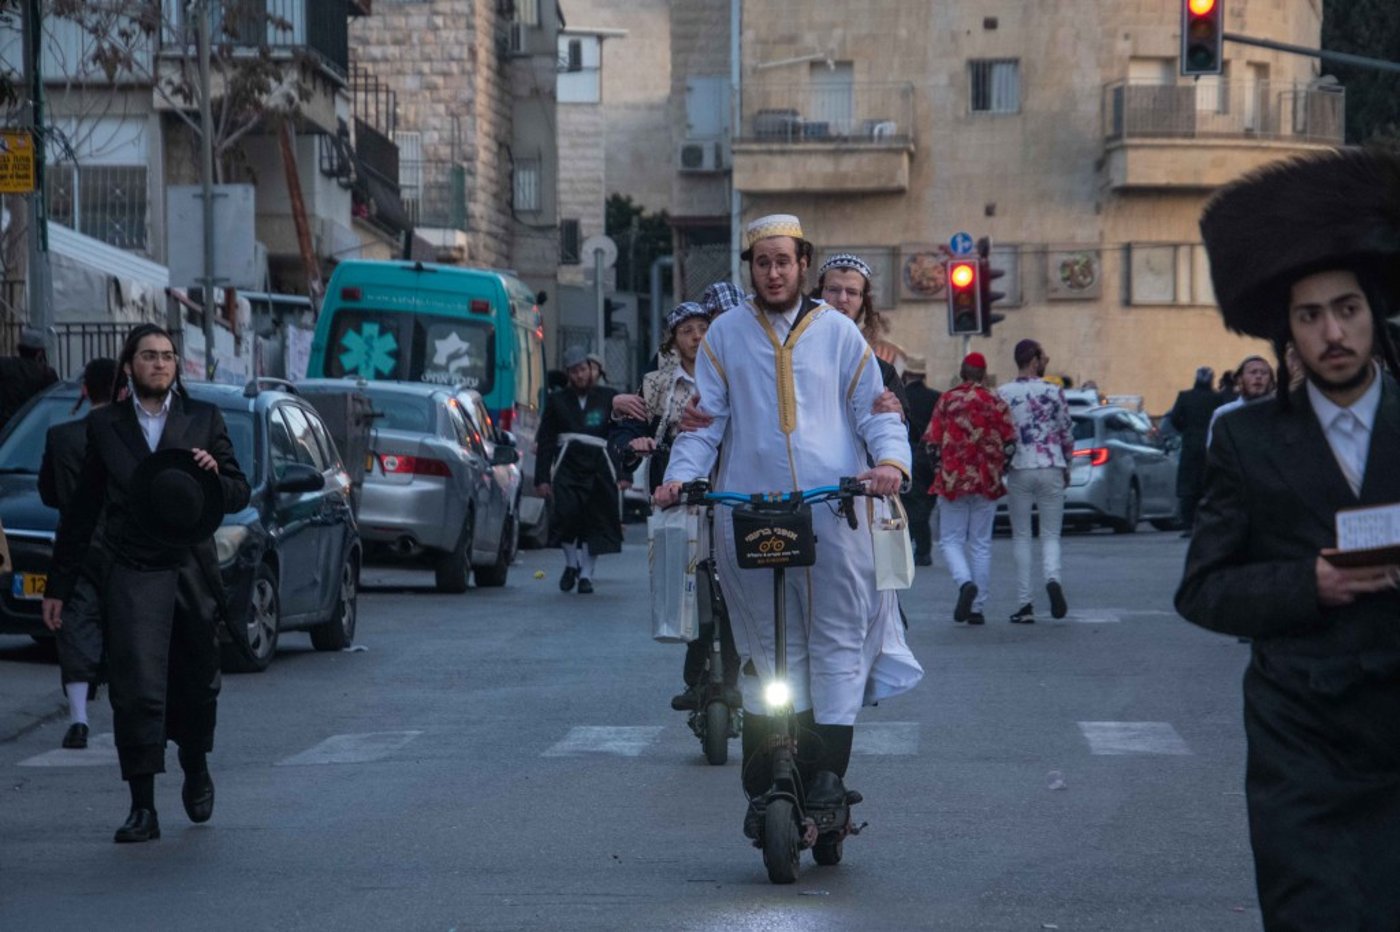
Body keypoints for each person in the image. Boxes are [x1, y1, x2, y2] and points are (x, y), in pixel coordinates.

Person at [1177, 147, 1400, 929]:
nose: (1332, 331)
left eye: (1346, 309)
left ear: (1373, 312)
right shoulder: (1245, 442)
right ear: (1288, 334)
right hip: (1301, 743)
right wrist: (1310, 584)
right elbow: (1202, 589)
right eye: (1310, 316)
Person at [654, 214, 921, 839]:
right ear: (750, 268)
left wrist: (889, 464)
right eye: (761, 262)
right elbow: (703, 424)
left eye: (784, 261)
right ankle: (774, 770)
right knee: (768, 649)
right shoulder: (724, 336)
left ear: (804, 264)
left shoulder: (840, 337)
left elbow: (877, 411)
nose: (773, 272)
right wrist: (678, 478)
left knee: (835, 643)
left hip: (837, 514)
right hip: (745, 512)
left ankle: (827, 775)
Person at [42, 324, 249, 844]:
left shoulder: (203, 420)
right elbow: (82, 510)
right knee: (135, 689)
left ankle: (196, 762)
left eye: (167, 356)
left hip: (189, 573)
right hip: (132, 570)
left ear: (177, 367)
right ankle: (142, 807)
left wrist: (213, 475)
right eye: (148, 356)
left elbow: (238, 490)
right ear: (129, 366)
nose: (159, 364)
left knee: (197, 683)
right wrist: (59, 586)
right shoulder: (106, 426)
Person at [610, 302, 740, 712]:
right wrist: (632, 444)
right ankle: (697, 675)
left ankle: (733, 676)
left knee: (736, 586)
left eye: (704, 328)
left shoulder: (736, 371)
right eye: (688, 330)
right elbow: (627, 429)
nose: (698, 337)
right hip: (678, 495)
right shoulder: (657, 384)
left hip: (733, 492)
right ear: (673, 340)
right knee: (689, 588)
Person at [38, 357, 118, 749]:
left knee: (75, 624)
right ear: (123, 390)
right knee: (125, 626)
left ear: (86, 390)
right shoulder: (129, 434)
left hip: (76, 545)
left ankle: (79, 719)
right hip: (122, 545)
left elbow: (48, 493)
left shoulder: (61, 436)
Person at [923, 352, 1014, 625]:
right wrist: (999, 471)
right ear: (984, 374)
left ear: (961, 372)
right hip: (987, 481)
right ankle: (977, 607)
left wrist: (940, 470)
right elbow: (1010, 442)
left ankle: (964, 583)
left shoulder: (947, 400)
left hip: (953, 479)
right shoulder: (996, 401)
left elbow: (931, 442)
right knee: (981, 544)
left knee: (950, 540)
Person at [535, 345, 624, 594]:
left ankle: (586, 575)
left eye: (583, 369)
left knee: (594, 521)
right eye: (574, 371)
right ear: (568, 374)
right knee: (566, 515)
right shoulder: (557, 401)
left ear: (591, 369)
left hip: (598, 465)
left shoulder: (608, 397)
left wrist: (624, 473)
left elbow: (619, 436)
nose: (580, 375)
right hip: (568, 464)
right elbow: (546, 439)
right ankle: (570, 564)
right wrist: (542, 478)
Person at [998, 339, 1074, 624]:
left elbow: (1001, 434)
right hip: (1051, 463)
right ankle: (1052, 578)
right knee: (1051, 534)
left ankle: (1025, 602)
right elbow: (1066, 430)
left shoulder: (1003, 393)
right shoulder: (1054, 392)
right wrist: (1068, 464)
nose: (1047, 360)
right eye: (1044, 357)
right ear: (1035, 360)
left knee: (1021, 535)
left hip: (1020, 466)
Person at [812, 253, 909, 420]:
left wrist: (897, 415)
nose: (842, 299)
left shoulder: (882, 371)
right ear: (820, 293)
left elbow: (908, 433)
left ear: (863, 300)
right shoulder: (795, 354)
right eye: (834, 290)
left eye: (851, 292)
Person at [1168, 366, 1223, 535]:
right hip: (1211, 446)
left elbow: (1174, 418)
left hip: (1190, 446)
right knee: (1208, 484)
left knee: (1188, 485)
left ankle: (1188, 524)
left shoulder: (1185, 397)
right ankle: (1206, 522)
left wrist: (1186, 430)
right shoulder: (1216, 399)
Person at [901, 355, 939, 567]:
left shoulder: (901, 396)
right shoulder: (936, 397)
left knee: (908, 504)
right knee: (925, 504)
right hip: (930, 457)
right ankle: (922, 549)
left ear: (906, 374)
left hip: (908, 454)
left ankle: (915, 547)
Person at [1206, 355, 1275, 448]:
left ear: (1270, 381)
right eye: (1253, 372)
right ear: (1239, 379)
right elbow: (1213, 452)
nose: (1259, 376)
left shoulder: (1279, 413)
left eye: (1264, 373)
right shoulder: (1224, 414)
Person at [0, 326, 58, 433]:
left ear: (19, 349)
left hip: (6, 424)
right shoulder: (47, 373)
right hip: (34, 425)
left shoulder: (5, 366)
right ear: (40, 353)